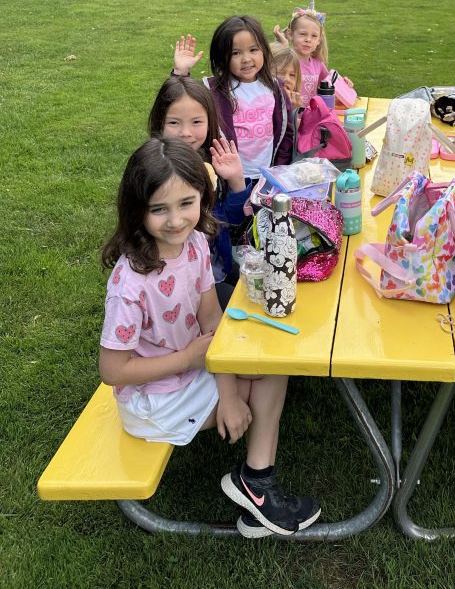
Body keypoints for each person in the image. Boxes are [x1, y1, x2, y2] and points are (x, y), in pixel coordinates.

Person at [99, 138, 320, 538]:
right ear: (137, 211)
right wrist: (194, 363)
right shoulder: (129, 284)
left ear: (203, 197)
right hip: (153, 401)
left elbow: (211, 323)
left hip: (192, 371)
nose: (175, 220)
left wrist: (230, 392)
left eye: (187, 203)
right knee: (270, 376)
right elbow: (113, 370)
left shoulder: (196, 244)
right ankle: (259, 483)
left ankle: (256, 481)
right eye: (158, 209)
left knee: (272, 364)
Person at [148, 74, 250, 307]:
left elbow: (232, 222)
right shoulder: (155, 169)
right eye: (174, 123)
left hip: (216, 264)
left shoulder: (215, 162)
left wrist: (236, 181)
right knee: (238, 307)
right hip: (177, 279)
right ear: (159, 123)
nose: (186, 133)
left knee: (254, 287)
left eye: (196, 122)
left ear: (210, 121)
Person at [171, 18, 293, 183]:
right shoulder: (212, 90)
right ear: (222, 57)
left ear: (263, 50)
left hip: (268, 177)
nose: (246, 59)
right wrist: (181, 71)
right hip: (228, 179)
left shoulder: (275, 88)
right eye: (236, 53)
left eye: (253, 50)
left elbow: (286, 133)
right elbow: (180, 104)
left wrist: (280, 169)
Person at [273, 0, 330, 106]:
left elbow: (329, 87)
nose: (308, 39)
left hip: (310, 117)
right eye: (303, 34)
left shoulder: (318, 65)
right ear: (290, 34)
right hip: (288, 115)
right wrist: (284, 45)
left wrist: (344, 83)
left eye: (314, 36)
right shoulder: (288, 61)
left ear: (319, 40)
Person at [270, 42, 302, 110]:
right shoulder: (262, 103)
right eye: (280, 72)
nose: (287, 79)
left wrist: (293, 110)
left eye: (292, 75)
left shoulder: (293, 104)